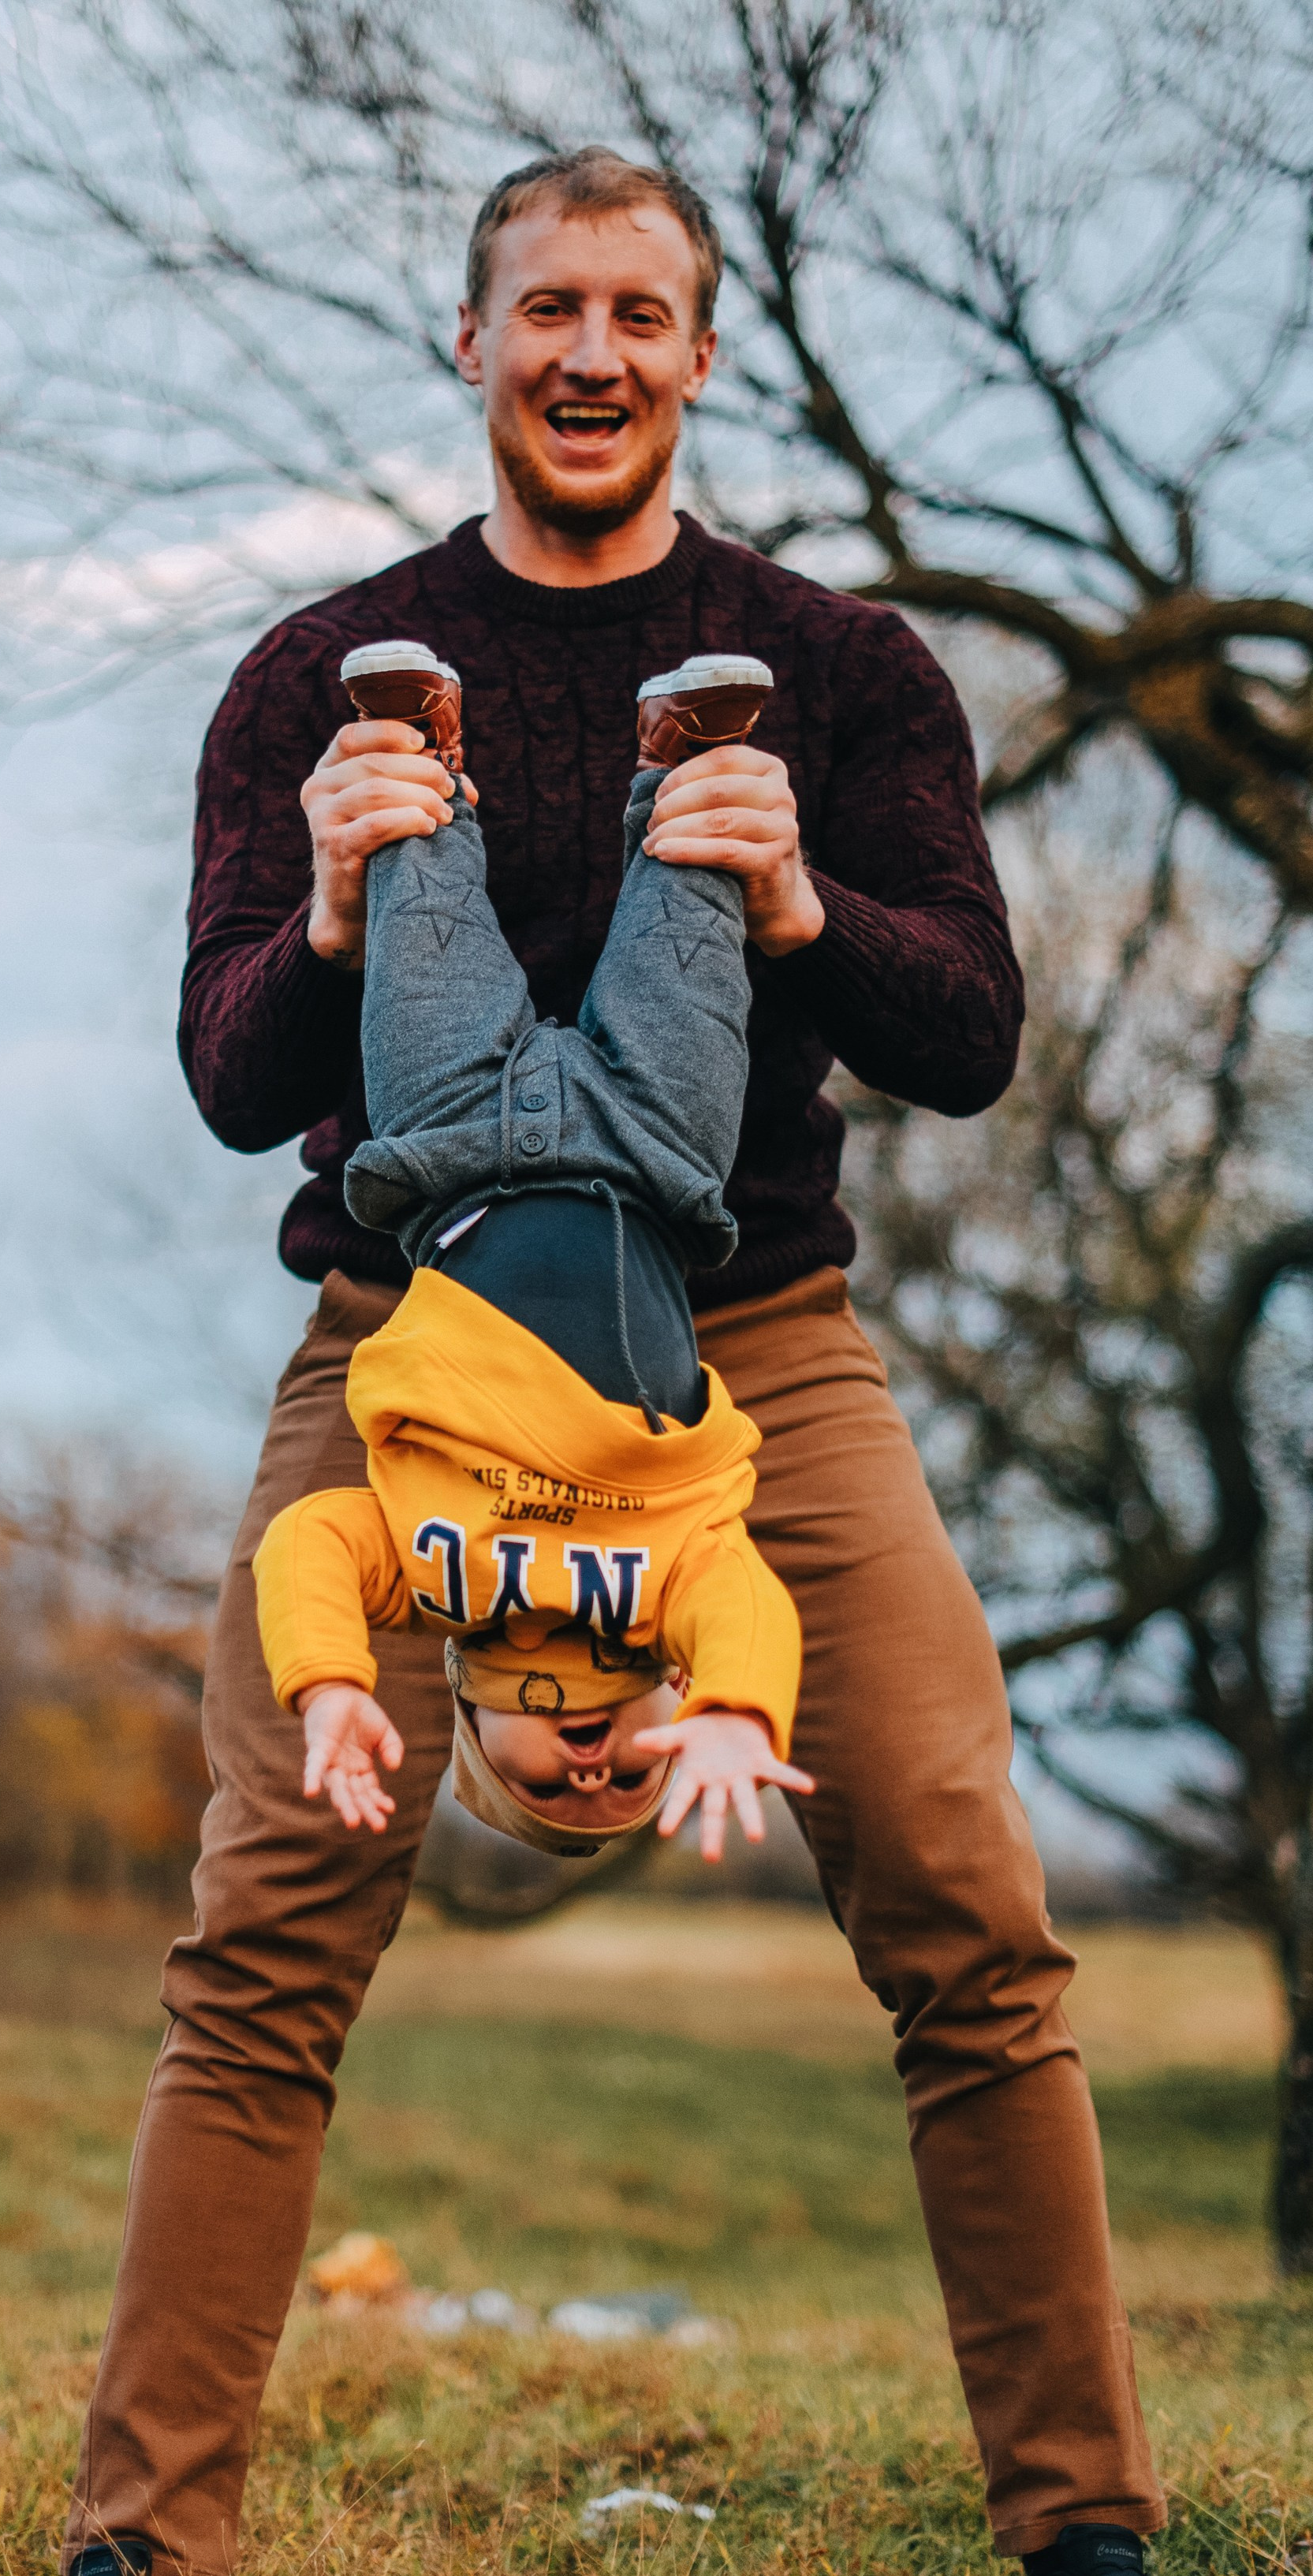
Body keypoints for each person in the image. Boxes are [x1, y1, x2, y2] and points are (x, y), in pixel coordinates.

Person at [43, 146, 1240, 2576]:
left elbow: (967, 1036)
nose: (592, 352)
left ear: (702, 353)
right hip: (408, 1355)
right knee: (264, 1925)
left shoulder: (839, 663)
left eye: (641, 312)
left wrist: (799, 903)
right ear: (465, 343)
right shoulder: (314, 670)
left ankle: (1090, 2556)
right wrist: (346, 913)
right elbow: (235, 1076)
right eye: (546, 308)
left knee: (964, 1900)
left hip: (750, 1361)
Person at [257, 639, 812, 1870]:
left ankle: (418, 756)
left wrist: (327, 1684)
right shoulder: (674, 1590)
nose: (598, 1768)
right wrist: (733, 1709)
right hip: (658, 1158)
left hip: (449, 1154)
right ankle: (691, 756)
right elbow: (746, 1609)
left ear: (470, 1728)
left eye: (560, 1796)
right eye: (636, 1780)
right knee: (693, 940)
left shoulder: (434, 1582)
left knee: (423, 934)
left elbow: (309, 1546)